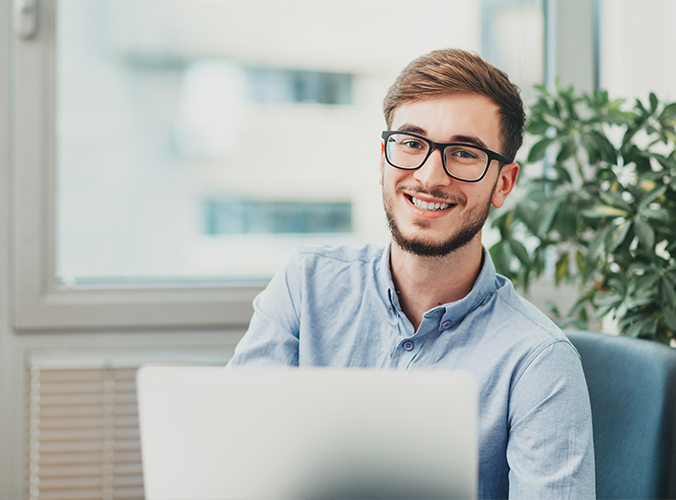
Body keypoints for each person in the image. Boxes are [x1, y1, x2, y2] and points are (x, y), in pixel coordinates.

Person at [227, 48, 595, 499]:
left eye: (463, 153)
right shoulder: (306, 284)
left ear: (503, 183)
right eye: (411, 143)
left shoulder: (539, 361)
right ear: (384, 157)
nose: (429, 175)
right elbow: (234, 463)